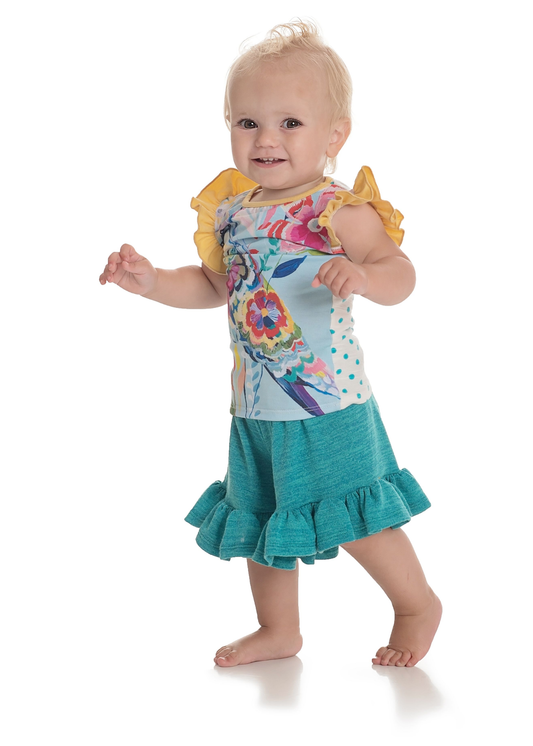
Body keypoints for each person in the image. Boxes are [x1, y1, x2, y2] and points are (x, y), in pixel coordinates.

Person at [99, 20, 442, 668]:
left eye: (290, 123)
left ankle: (415, 604)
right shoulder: (235, 212)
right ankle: (278, 629)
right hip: (255, 406)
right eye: (248, 122)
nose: (265, 139)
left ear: (334, 135)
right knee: (261, 518)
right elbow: (214, 285)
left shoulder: (336, 211)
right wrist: (151, 282)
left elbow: (401, 274)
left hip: (326, 401)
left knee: (357, 514)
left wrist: (366, 277)